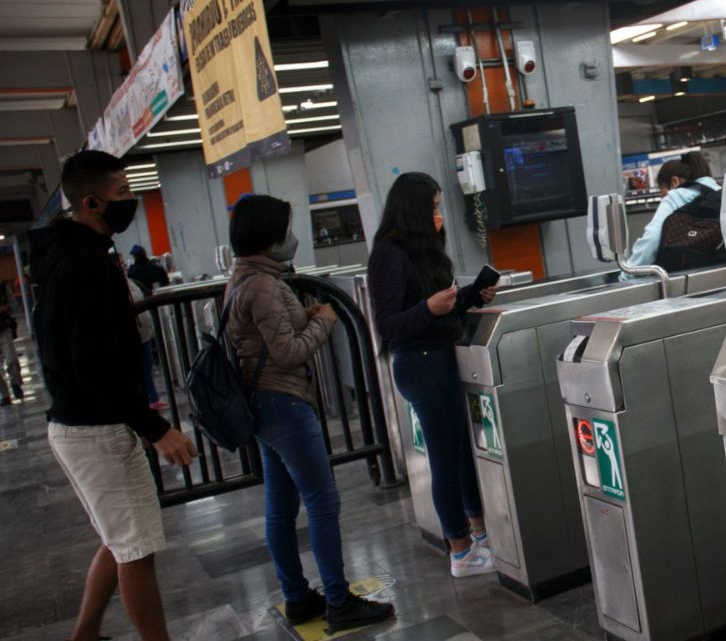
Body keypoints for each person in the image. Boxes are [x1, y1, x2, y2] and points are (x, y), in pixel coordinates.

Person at [30, 149, 198, 641]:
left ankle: (83, 635)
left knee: (118, 540)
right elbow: (92, 365)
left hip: (78, 426)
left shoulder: (65, 257)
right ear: (91, 202)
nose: (131, 201)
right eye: (122, 194)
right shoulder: (86, 267)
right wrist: (156, 428)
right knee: (136, 551)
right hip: (97, 431)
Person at [224, 194, 395, 631]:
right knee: (322, 502)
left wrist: (306, 312)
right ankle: (339, 602)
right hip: (284, 402)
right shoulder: (263, 285)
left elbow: (268, 333)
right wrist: (325, 320)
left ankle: (297, 597)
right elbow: (285, 351)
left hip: (263, 403)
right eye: (284, 230)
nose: (291, 238)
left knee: (281, 507)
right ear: (268, 238)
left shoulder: (246, 278)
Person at [367, 173, 499, 578]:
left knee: (460, 451)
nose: (439, 215)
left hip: (438, 356)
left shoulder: (418, 250)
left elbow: (434, 308)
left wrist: (469, 297)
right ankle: (459, 550)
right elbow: (388, 323)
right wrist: (429, 309)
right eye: (434, 207)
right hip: (420, 363)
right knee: (444, 458)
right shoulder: (389, 254)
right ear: (413, 211)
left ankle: (478, 533)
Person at [625, 151, 726, 277]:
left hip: (688, 290)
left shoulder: (675, 196)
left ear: (674, 182)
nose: (663, 197)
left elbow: (651, 241)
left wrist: (627, 276)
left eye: (662, 192)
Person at [114, 254, 168, 412]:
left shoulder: (126, 279)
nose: (125, 266)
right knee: (142, 370)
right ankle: (148, 401)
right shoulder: (117, 283)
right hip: (135, 335)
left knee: (146, 368)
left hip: (142, 333)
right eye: (121, 263)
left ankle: (151, 399)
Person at [0, 282, 21, 404]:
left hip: (3, 328)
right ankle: (4, 395)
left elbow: (14, 304)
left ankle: (15, 383)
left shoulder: (2, 286)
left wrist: (5, 308)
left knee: (11, 359)